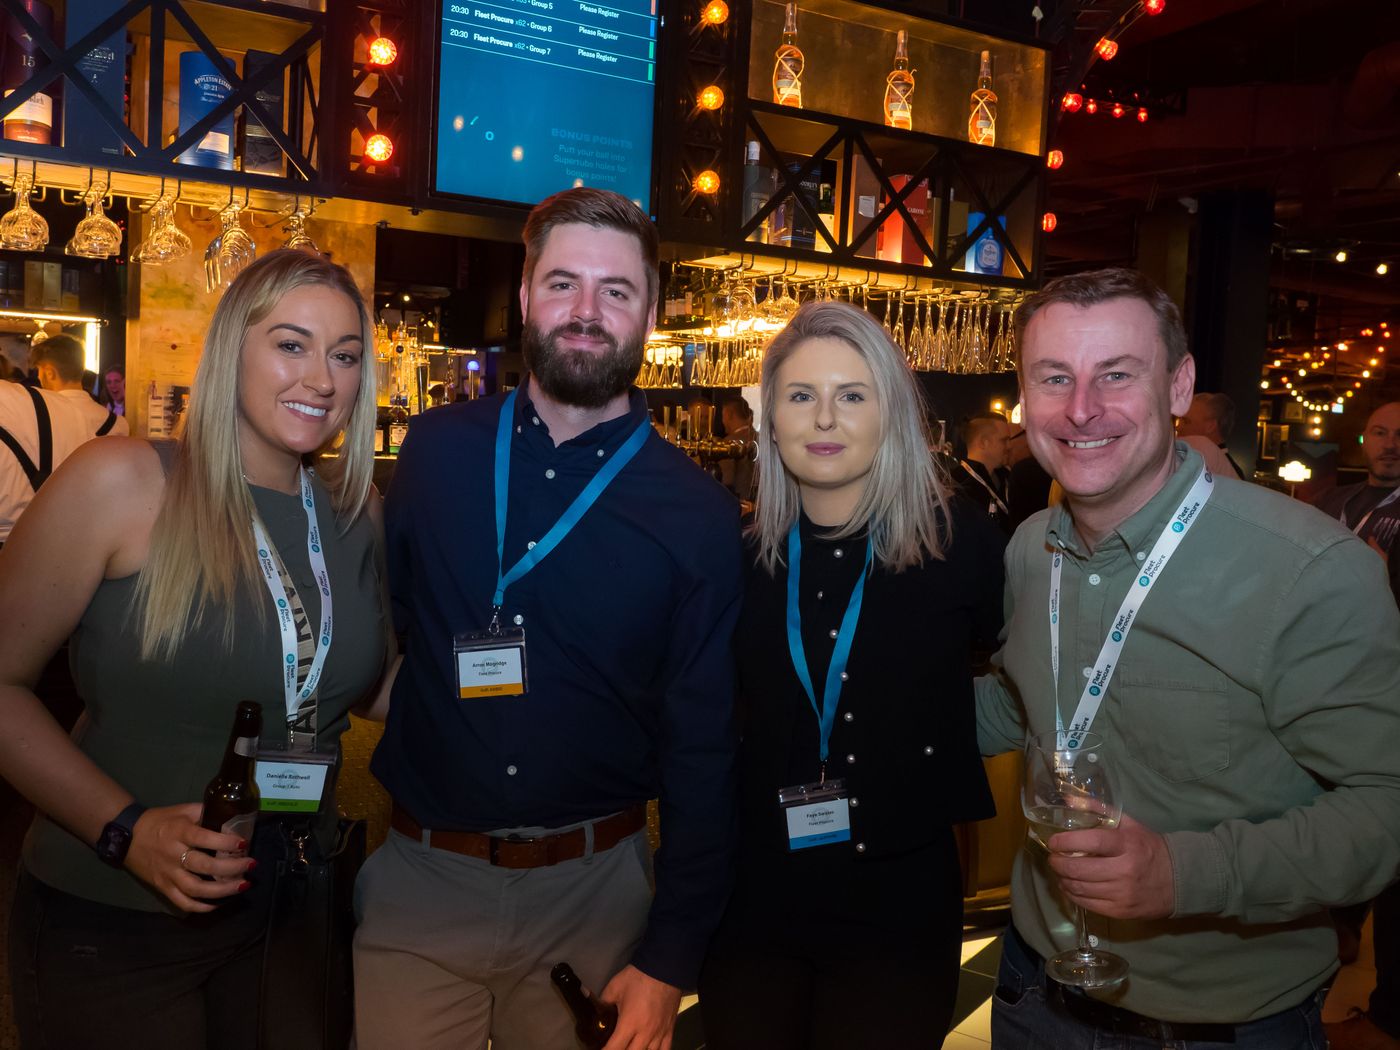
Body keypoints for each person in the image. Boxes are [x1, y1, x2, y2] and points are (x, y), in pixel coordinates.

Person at [354, 187, 743, 1050]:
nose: (586, 311)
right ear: (527, 295)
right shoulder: (436, 451)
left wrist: (671, 959)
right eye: (564, 283)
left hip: (594, 896)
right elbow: (396, 625)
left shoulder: (699, 515)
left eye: (616, 290)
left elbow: (703, 751)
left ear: (650, 313)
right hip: (423, 881)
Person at [976, 268, 1400, 1049]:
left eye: (1116, 375)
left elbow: (1385, 806)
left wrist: (1181, 873)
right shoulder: (1032, 548)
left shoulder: (1308, 568)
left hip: (1216, 1029)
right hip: (1033, 996)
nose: (1081, 408)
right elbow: (1021, 703)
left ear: (1178, 386)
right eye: (1054, 378)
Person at [0, 249, 390, 1050]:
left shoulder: (357, 512)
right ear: (231, 351)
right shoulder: (122, 483)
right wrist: (126, 831)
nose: (322, 378)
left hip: (292, 906)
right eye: (291, 344)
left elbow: (362, 682)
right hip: (116, 917)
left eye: (346, 356)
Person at [697, 301, 1003, 1050]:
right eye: (802, 395)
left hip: (900, 905)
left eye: (852, 395)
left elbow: (1024, 672)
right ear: (770, 420)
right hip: (757, 899)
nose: (825, 418)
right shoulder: (735, 558)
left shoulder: (960, 542)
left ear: (890, 413)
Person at [1314, 400, 1400, 1050]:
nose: (1389, 443)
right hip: (1326, 686)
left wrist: (1379, 574)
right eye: (1379, 432)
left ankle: (1388, 1014)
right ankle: (1339, 925)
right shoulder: (1332, 501)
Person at [1, 333, 128, 546]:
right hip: (88, 527)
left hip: (29, 531)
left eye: (39, 372)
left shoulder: (30, 411)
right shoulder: (119, 423)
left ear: (49, 372)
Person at [1313, 401, 1400, 604]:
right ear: (1364, 441)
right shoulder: (1327, 500)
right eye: (1379, 433)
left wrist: (1383, 583)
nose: (1390, 445)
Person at [955, 411, 1011, 533]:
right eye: (1004, 440)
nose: (1009, 446)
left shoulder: (1008, 478)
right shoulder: (956, 485)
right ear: (983, 442)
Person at [1176, 391, 1246, 479]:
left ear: (1210, 427)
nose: (1178, 427)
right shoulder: (1228, 469)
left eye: (1186, 422)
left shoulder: (1219, 470)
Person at [718, 395, 757, 504]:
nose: (723, 421)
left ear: (729, 414)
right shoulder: (763, 440)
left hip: (740, 504)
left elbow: (726, 480)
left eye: (723, 416)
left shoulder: (728, 444)